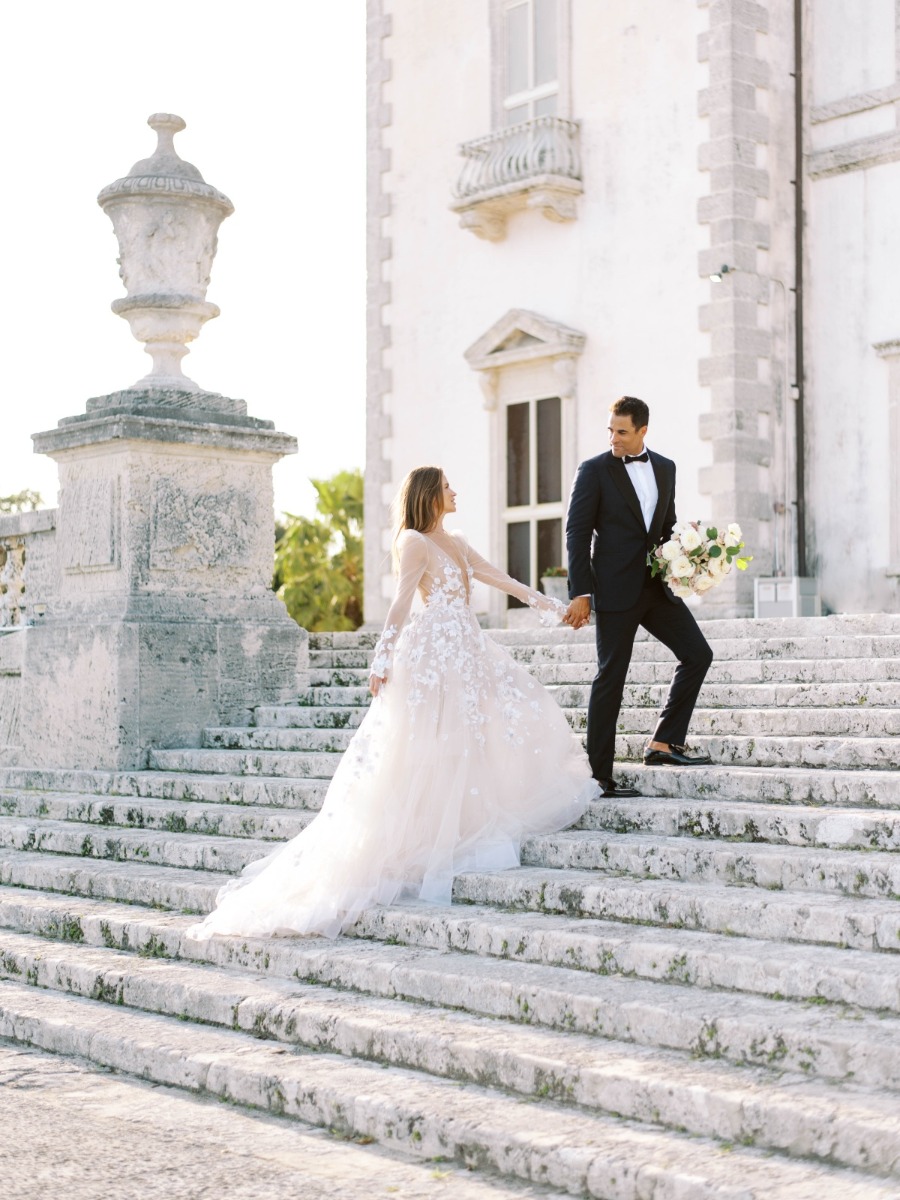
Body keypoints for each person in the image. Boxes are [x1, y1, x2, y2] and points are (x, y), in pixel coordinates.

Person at [188, 466, 596, 941]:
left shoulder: (456, 541)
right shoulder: (413, 543)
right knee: (427, 743)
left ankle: (461, 821)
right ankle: (418, 839)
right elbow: (402, 603)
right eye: (448, 486)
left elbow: (498, 578)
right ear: (429, 495)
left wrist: (554, 608)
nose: (455, 491)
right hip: (431, 655)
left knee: (485, 725)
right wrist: (381, 657)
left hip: (466, 647)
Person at [562, 396, 714, 798]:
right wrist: (581, 591)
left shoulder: (666, 468)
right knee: (610, 678)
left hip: (656, 586)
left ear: (642, 430)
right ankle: (599, 777)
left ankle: (663, 743)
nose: (614, 438)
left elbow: (665, 527)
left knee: (698, 654)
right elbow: (576, 533)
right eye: (610, 430)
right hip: (613, 591)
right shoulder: (593, 471)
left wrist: (690, 559)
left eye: (622, 431)